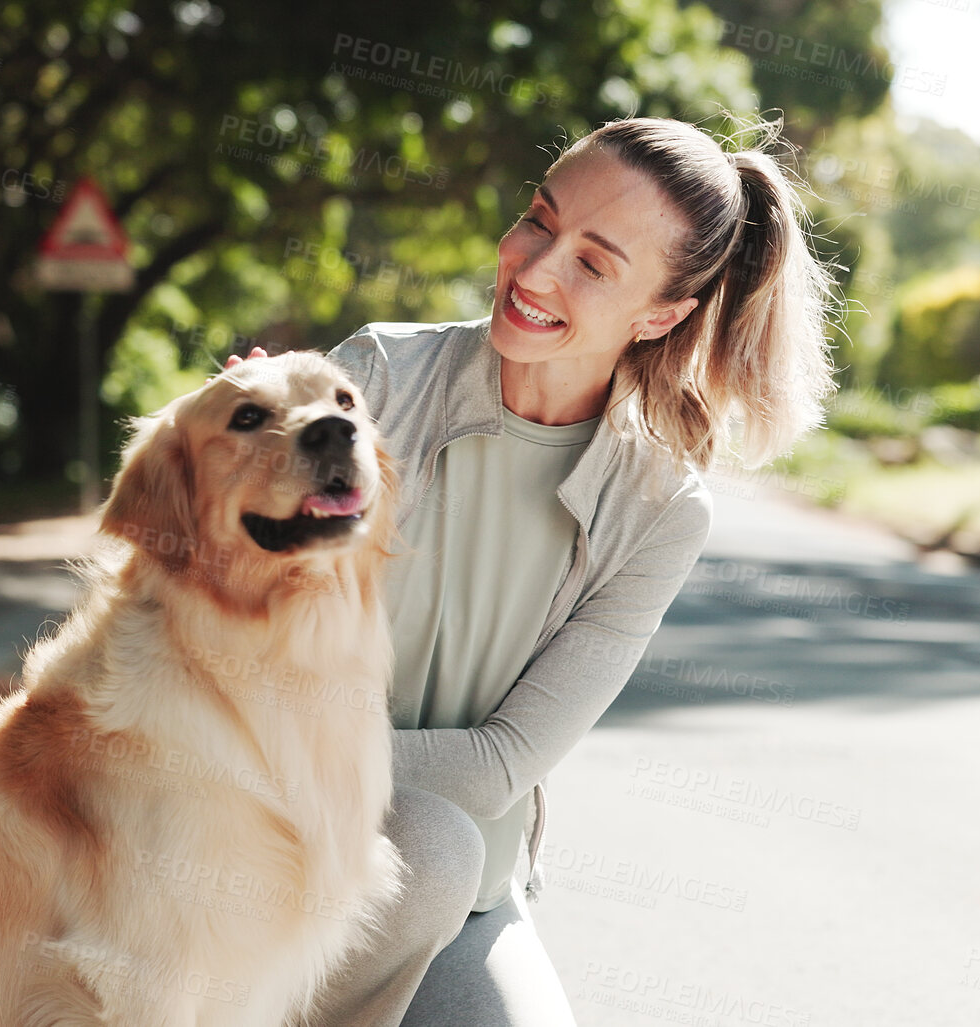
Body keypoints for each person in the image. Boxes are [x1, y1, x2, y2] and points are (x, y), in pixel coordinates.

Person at [228, 116, 837, 1025]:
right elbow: (197, 609)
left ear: (661, 314)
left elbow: (497, 766)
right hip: (248, 825)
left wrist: (269, 748)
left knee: (440, 862)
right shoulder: (372, 378)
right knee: (429, 845)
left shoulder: (660, 507)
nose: (536, 268)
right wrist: (230, 451)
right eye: (539, 220)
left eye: (594, 263)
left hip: (447, 885)